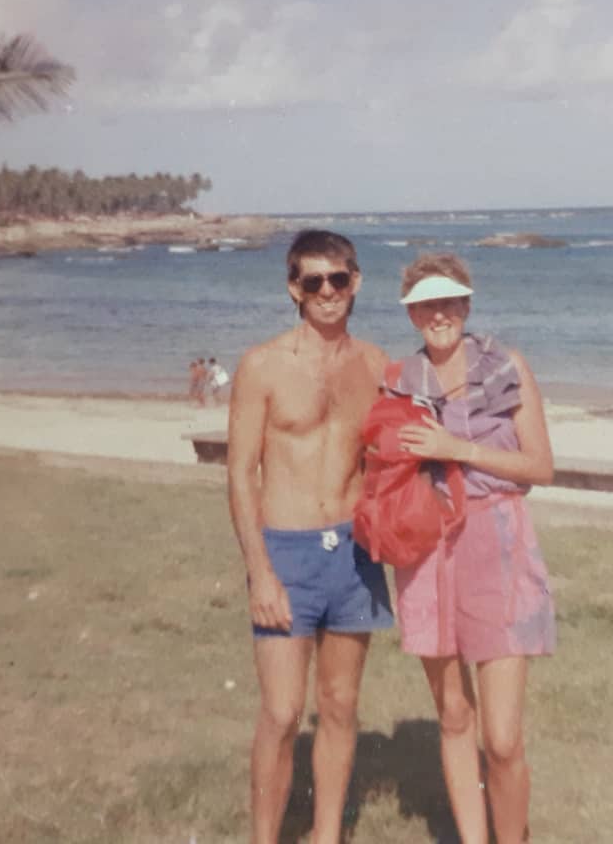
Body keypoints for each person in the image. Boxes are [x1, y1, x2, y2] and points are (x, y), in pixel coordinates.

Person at [227, 229, 393, 844]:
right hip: (287, 550)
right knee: (281, 710)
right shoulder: (262, 365)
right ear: (293, 288)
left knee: (342, 706)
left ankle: (327, 836)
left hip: (353, 551)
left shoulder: (375, 365)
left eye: (339, 279)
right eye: (313, 281)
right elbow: (241, 473)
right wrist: (261, 571)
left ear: (356, 282)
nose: (327, 292)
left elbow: (390, 460)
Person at [387, 253, 555, 844]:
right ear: (411, 313)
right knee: (455, 716)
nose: (438, 313)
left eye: (448, 300)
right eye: (425, 304)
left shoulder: (508, 366)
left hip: (499, 541)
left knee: (503, 737)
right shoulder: (397, 380)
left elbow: (539, 467)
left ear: (466, 304)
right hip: (427, 549)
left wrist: (458, 448)